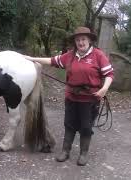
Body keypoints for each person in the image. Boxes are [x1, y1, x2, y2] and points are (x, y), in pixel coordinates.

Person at [24, 26, 114, 166]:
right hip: (71, 98)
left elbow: (109, 74)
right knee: (69, 125)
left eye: (83, 39)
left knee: (86, 127)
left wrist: (104, 88)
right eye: (78, 40)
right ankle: (65, 151)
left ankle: (83, 154)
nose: (81, 42)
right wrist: (30, 58)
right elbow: (52, 60)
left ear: (89, 40)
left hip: (90, 99)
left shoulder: (98, 55)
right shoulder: (70, 55)